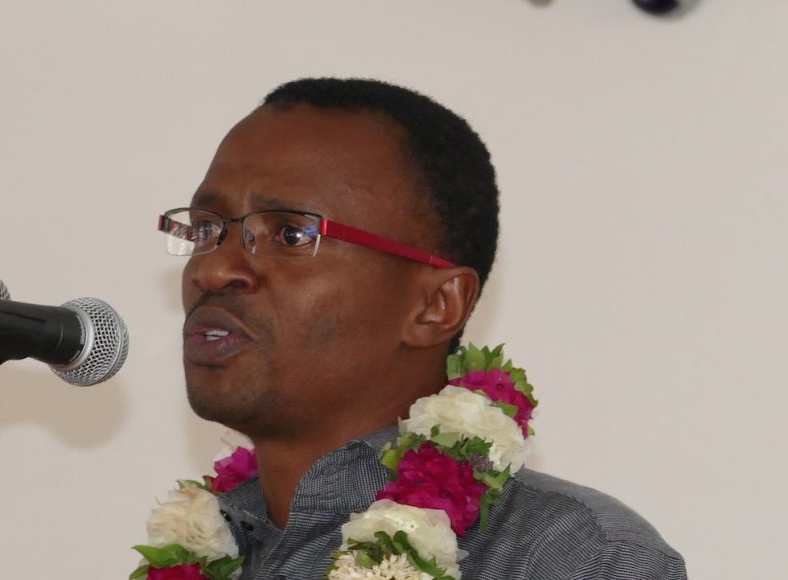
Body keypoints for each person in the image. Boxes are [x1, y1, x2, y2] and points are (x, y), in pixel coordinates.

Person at [161, 78, 687, 579]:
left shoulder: (575, 560)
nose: (213, 269)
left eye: (291, 235)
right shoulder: (214, 550)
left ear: (436, 305)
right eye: (207, 228)